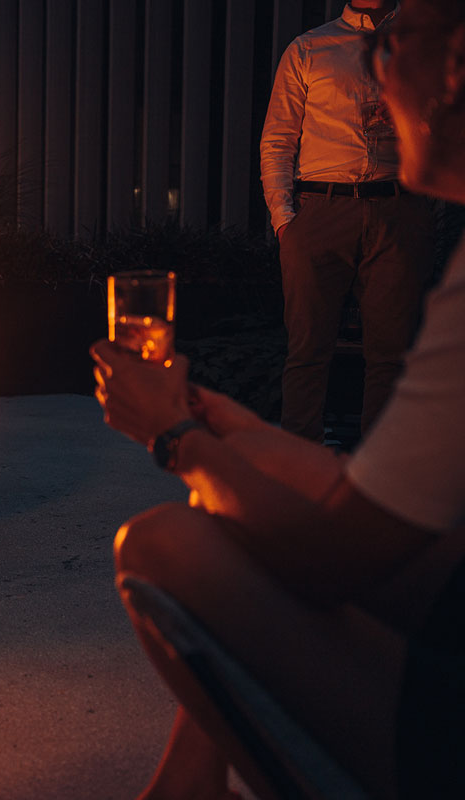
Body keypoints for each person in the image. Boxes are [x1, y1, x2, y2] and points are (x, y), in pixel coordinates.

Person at [93, 1, 465, 797]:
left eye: (391, 52)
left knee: (162, 542)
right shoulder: (306, 52)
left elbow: (334, 562)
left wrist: (174, 439)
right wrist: (229, 434)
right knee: (256, 457)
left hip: (446, 713)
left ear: (452, 71)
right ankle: (182, 787)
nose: (376, 81)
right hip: (451, 591)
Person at [260, 0, 433, 443]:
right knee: (307, 352)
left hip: (397, 208)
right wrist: (286, 222)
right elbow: (278, 138)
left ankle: (378, 478)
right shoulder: (309, 48)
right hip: (321, 210)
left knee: (392, 355)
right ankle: (301, 467)